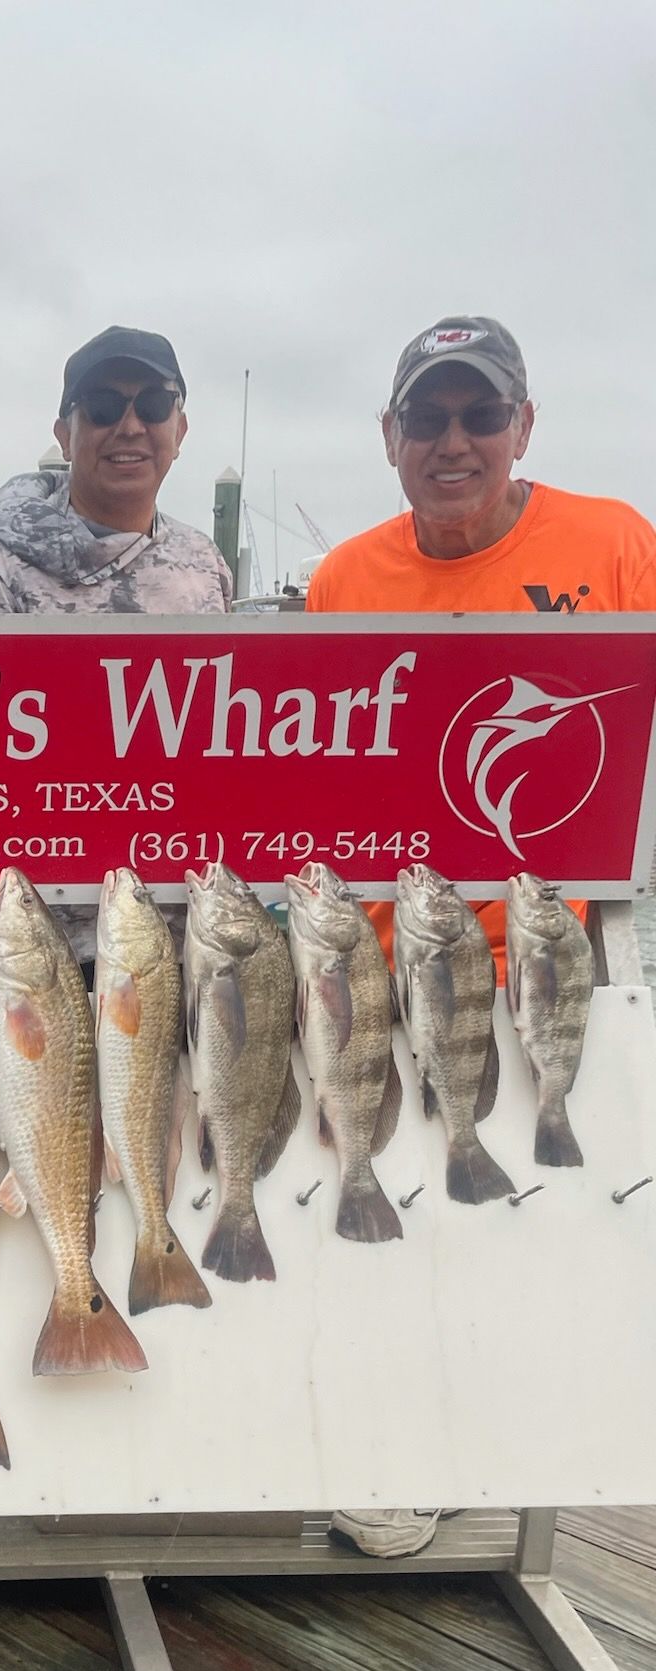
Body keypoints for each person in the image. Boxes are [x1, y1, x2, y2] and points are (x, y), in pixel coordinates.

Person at [310, 314, 656, 1562]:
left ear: (523, 428)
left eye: (479, 416)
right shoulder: (345, 575)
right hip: (394, 962)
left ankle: (501, 1449)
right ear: (392, 438)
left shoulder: (618, 544)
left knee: (536, 1225)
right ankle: (397, 1451)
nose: (453, 442)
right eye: (428, 419)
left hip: (556, 960)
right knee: (397, 1215)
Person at [0, 325, 231, 615]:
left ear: (179, 432)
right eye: (103, 407)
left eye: (153, 405)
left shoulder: (205, 564)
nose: (130, 428)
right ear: (64, 436)